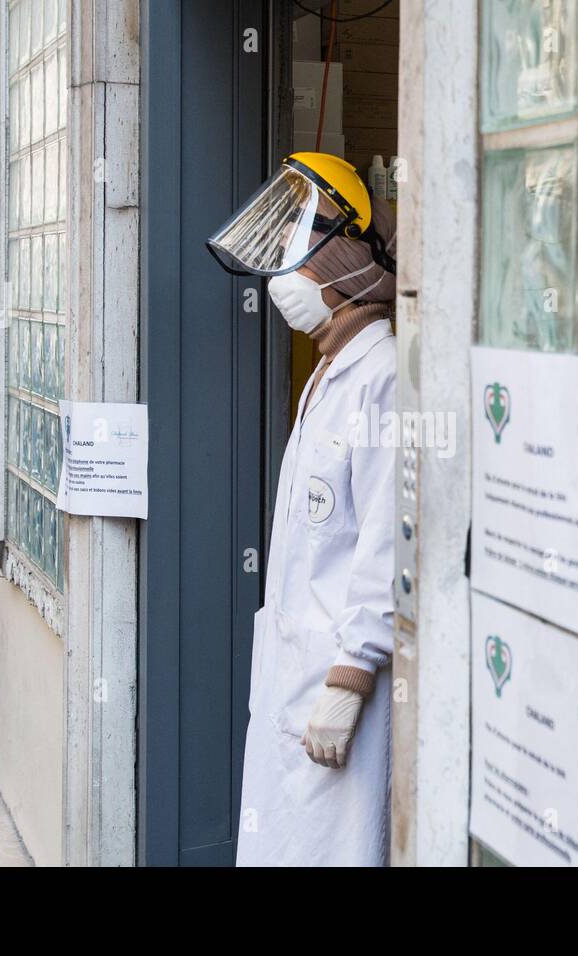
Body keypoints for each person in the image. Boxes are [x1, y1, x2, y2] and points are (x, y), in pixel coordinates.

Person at [207, 153, 398, 866]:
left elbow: (387, 543)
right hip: (292, 680)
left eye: (297, 257)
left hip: (339, 686)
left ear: (341, 261)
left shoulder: (382, 379)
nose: (284, 282)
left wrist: (351, 678)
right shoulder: (326, 372)